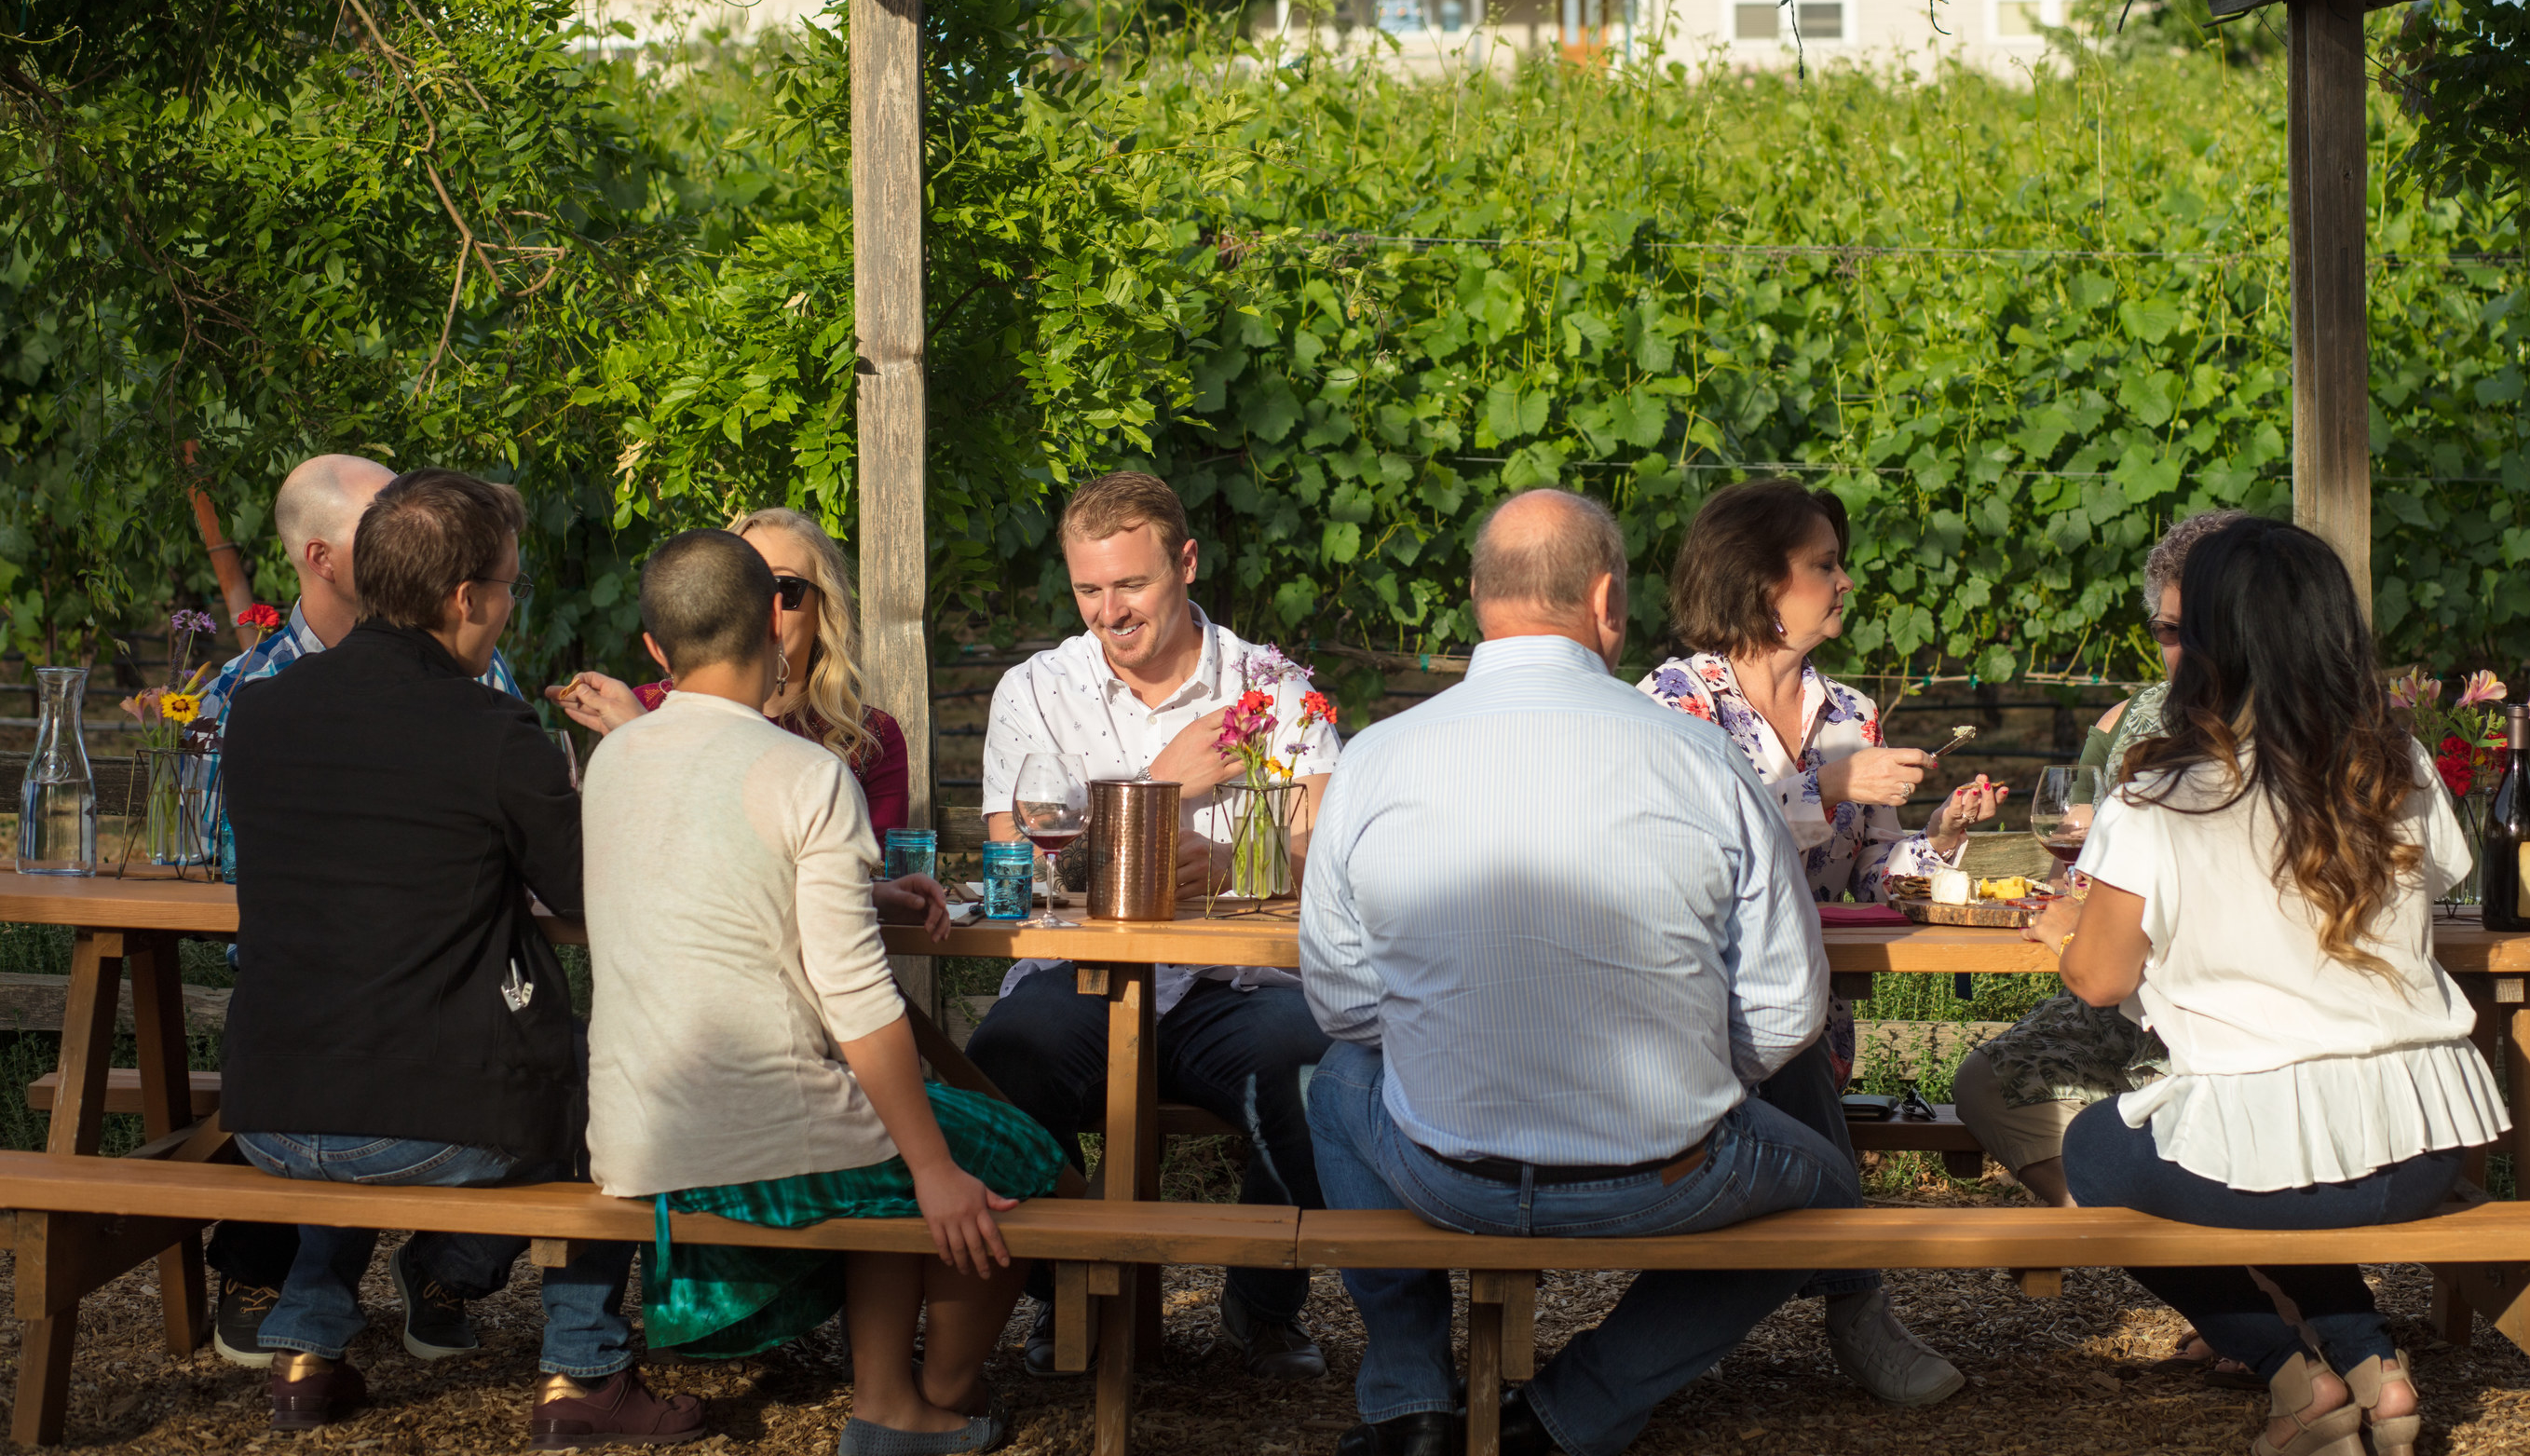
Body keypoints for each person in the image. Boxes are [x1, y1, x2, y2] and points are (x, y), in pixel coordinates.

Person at [1301, 488, 1867, 1456]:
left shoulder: (1373, 759)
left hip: (1443, 1170)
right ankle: (1575, 1412)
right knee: (1828, 1197)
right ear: (1607, 601)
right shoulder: (1702, 757)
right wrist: (1690, 1081)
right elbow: (1786, 1012)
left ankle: (1410, 1398)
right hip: (1664, 1175)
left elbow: (1344, 1002)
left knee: (1337, 1078)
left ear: (1478, 595)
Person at [216, 469, 702, 1445]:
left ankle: (310, 1346)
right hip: (423, 1119)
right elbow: (588, 891)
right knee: (619, 1070)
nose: (509, 605)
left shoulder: (260, 712)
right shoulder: (492, 727)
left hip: (269, 1108)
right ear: (465, 597)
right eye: (511, 585)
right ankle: (584, 1370)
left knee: (367, 1040)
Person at [2036, 516, 2507, 1456]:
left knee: (2095, 1153)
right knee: (2274, 1160)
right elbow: (2445, 884)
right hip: (2424, 1148)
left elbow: (2097, 978)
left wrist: (2064, 930)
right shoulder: (2399, 764)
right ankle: (2373, 1360)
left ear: (2211, 641)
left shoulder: (2159, 794)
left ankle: (2299, 1379)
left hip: (2269, 1161)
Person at [583, 530, 1058, 1456]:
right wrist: (936, 1172)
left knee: (890, 1122)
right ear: (775, 621)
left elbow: (705, 884)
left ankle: (888, 1399)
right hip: (763, 1143)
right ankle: (935, 1397)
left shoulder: (616, 761)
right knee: (1013, 1152)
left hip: (642, 1134)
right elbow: (859, 999)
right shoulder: (808, 771)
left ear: (652, 650)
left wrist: (861, 887)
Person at [965, 471, 1340, 1381]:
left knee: (1322, 1069)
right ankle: (1071, 1298)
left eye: (1129, 585)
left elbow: (1328, 855)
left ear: (1186, 562)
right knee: (999, 1067)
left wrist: (1232, 866)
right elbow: (1017, 868)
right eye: (1088, 589)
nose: (1108, 612)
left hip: (1233, 987)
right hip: (1078, 980)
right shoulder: (1037, 688)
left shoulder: (1272, 685)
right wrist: (1161, 786)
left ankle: (1261, 1308)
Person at [1636, 478, 1996, 1406]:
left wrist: (1943, 838)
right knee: (1778, 1023)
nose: (1843, 582)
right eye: (1823, 565)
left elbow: (1878, 878)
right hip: (1694, 1015)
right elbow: (1690, 855)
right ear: (1760, 580)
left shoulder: (1850, 710)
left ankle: (1817, 1302)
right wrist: (1824, 789)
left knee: (1795, 1024)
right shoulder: (1676, 702)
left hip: (1810, 1017)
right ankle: (1858, 1303)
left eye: (1841, 562)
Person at [192, 453, 536, 1368]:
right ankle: (332, 1279)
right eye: (383, 523)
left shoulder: (480, 669)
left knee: (386, 1009)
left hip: (361, 1020)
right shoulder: (242, 693)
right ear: (322, 556)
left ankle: (324, 1297)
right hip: (330, 997)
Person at [1950, 508, 2243, 1217]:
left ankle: (2237, 1285)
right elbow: (2067, 868)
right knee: (1988, 1080)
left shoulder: (2295, 737)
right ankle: (2125, 1231)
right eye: (2168, 633)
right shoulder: (2122, 726)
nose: (2184, 652)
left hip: (2219, 1010)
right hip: (2121, 992)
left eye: (2200, 628)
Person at [551, 507, 941, 925]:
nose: (760, 605)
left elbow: (847, 892)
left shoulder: (866, 736)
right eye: (744, 586)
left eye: (783, 588)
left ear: (824, 608)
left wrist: (644, 737)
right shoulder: (646, 708)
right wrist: (643, 734)